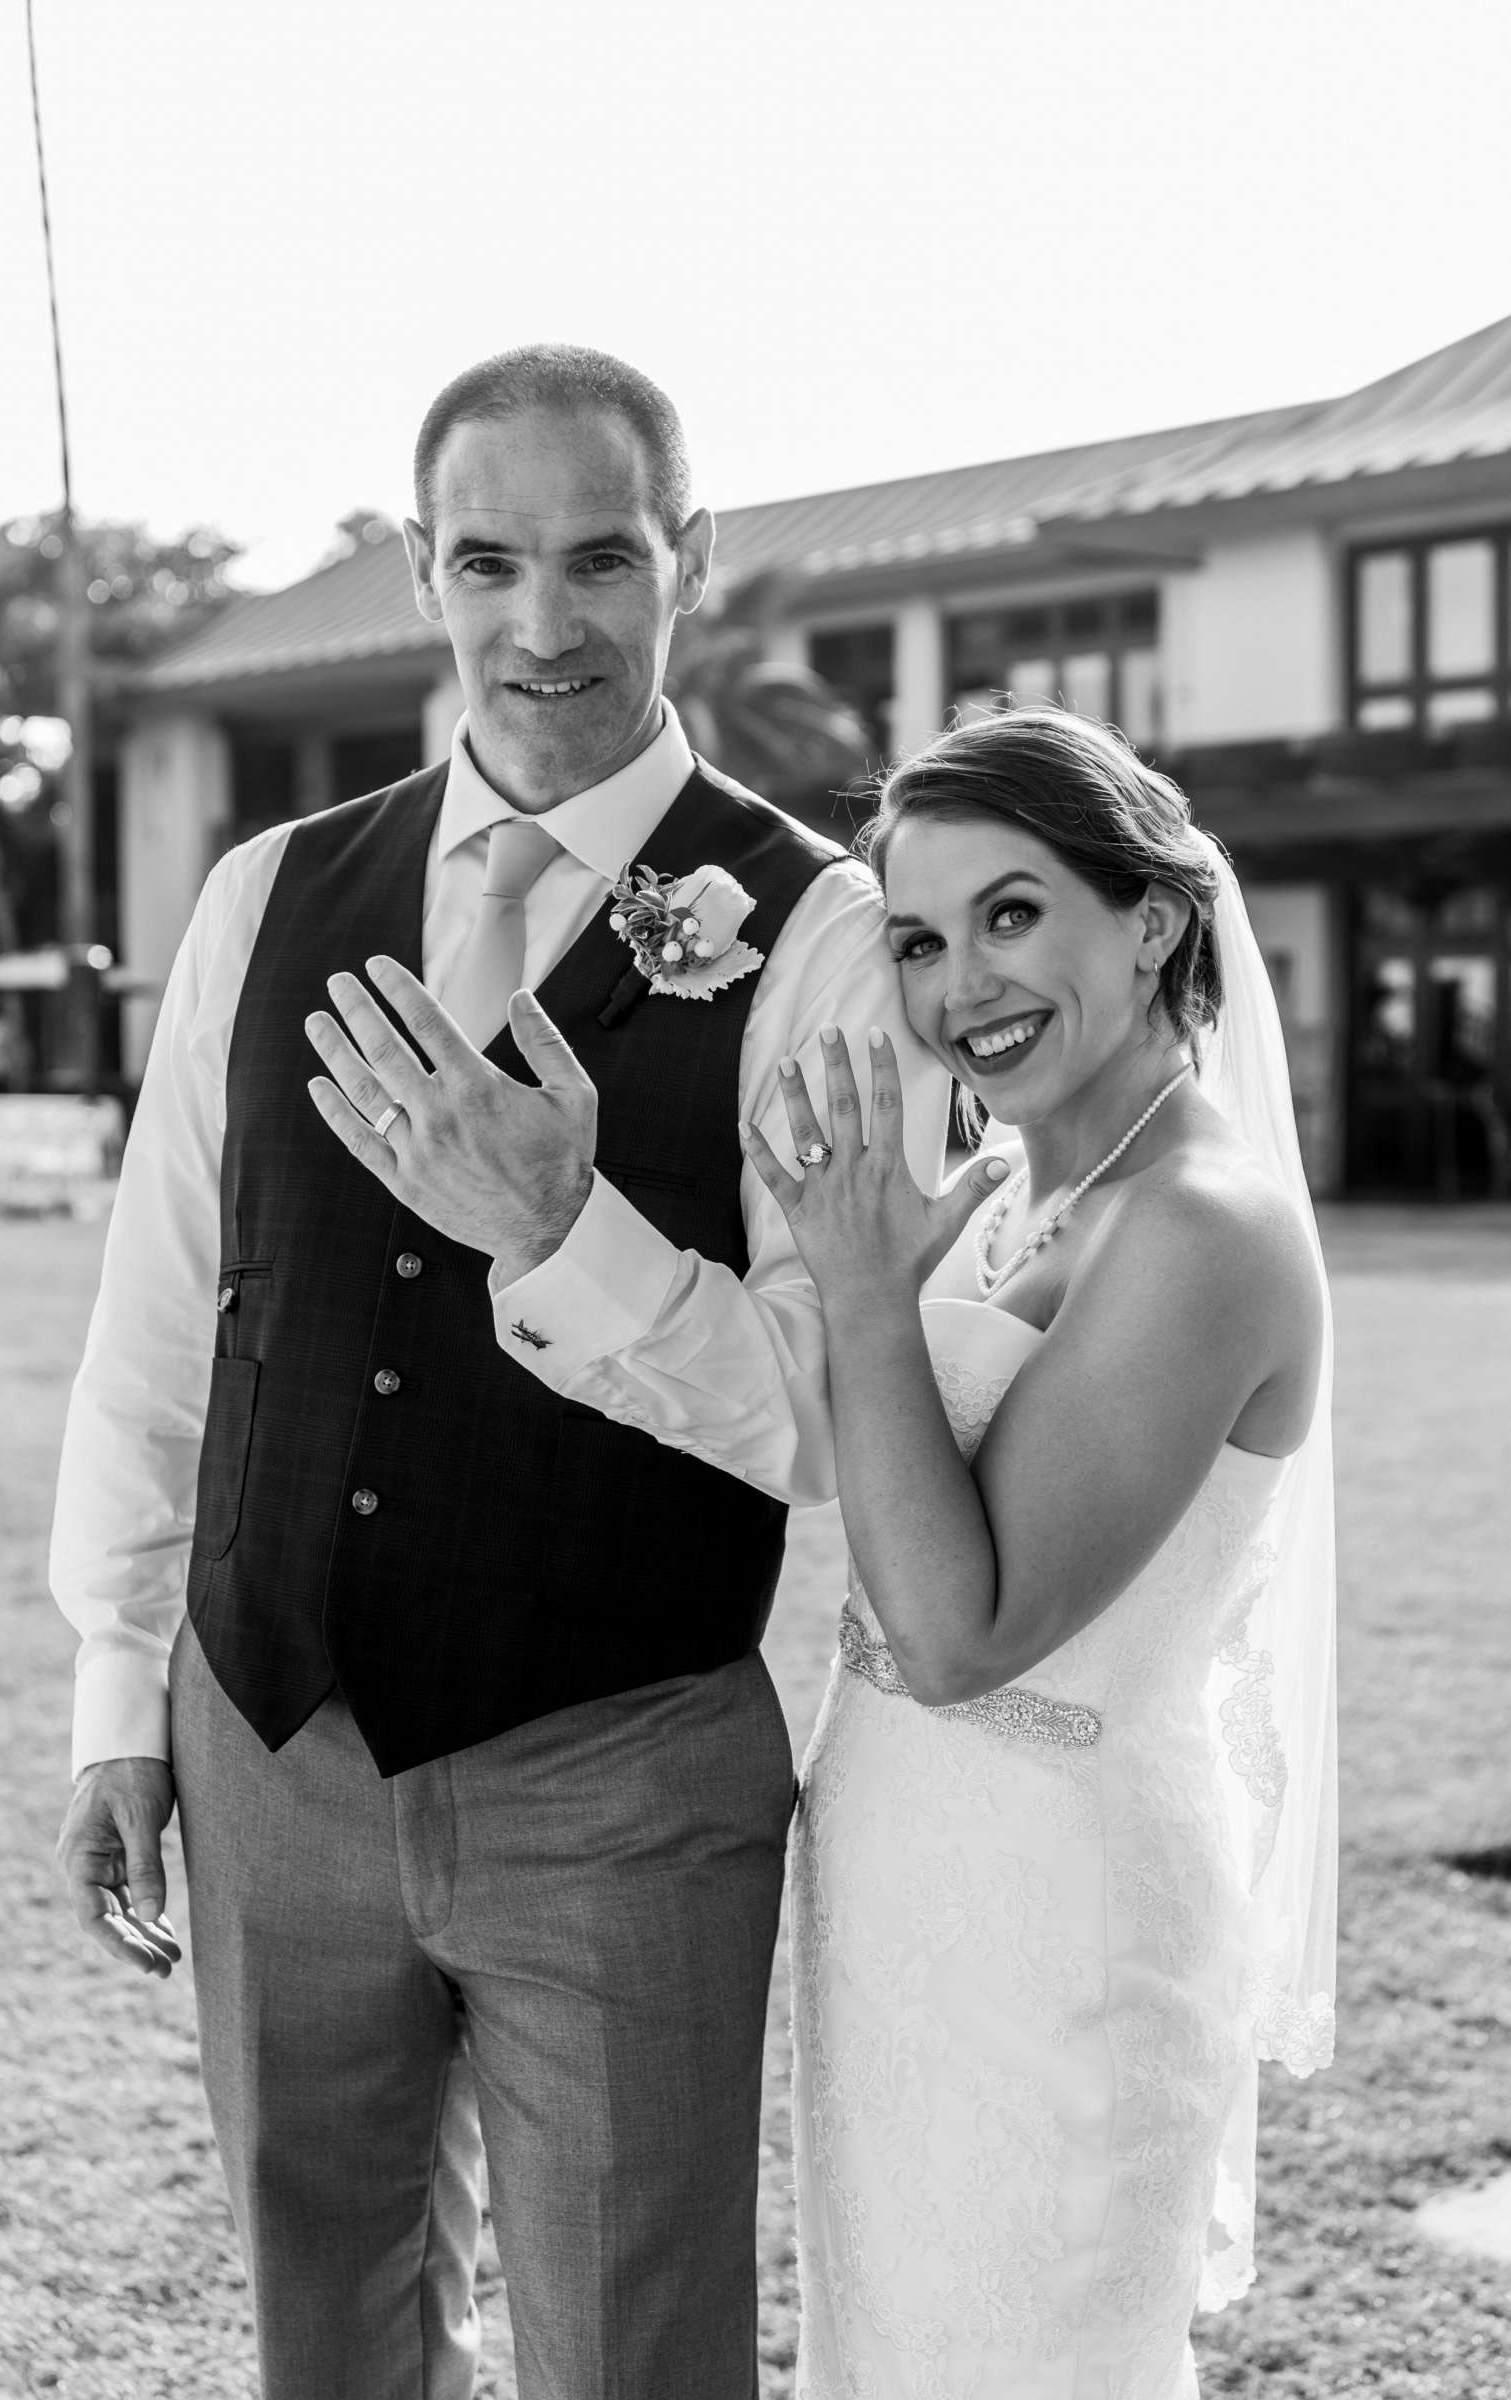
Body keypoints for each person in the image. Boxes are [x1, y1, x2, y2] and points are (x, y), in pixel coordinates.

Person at [49, 343, 952, 2400]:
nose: (544, 624)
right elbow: (168, 1312)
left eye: (601, 558)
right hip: (270, 1744)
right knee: (327, 2340)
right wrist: (122, 1699)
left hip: (619, 1773)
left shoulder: (814, 939)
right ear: (421, 574)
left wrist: (565, 1239)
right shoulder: (264, 898)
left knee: (634, 2354)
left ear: (687, 562)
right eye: (488, 562)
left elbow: (830, 1420)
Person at [474, 707, 1339, 2397]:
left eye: (1014, 914)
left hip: (1057, 1922)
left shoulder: (1199, 1226)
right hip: (906, 1898)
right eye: (924, 939)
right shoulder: (1031, 1186)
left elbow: (960, 1632)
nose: (960, 988)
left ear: (1151, 920)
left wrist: (864, 1291)